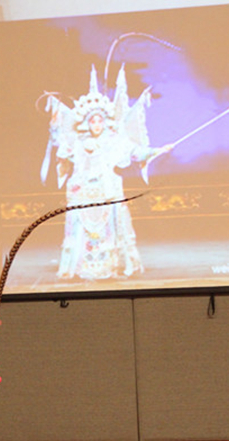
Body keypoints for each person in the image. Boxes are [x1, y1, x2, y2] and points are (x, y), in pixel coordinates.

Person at [43, 65, 171, 280]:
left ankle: (111, 265)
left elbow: (135, 152)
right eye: (92, 121)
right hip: (83, 191)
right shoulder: (78, 142)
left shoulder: (114, 141)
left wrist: (158, 150)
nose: (96, 124)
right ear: (87, 122)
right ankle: (80, 264)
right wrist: (55, 124)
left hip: (107, 190)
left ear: (105, 121)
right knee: (82, 228)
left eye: (100, 120)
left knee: (110, 228)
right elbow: (61, 147)